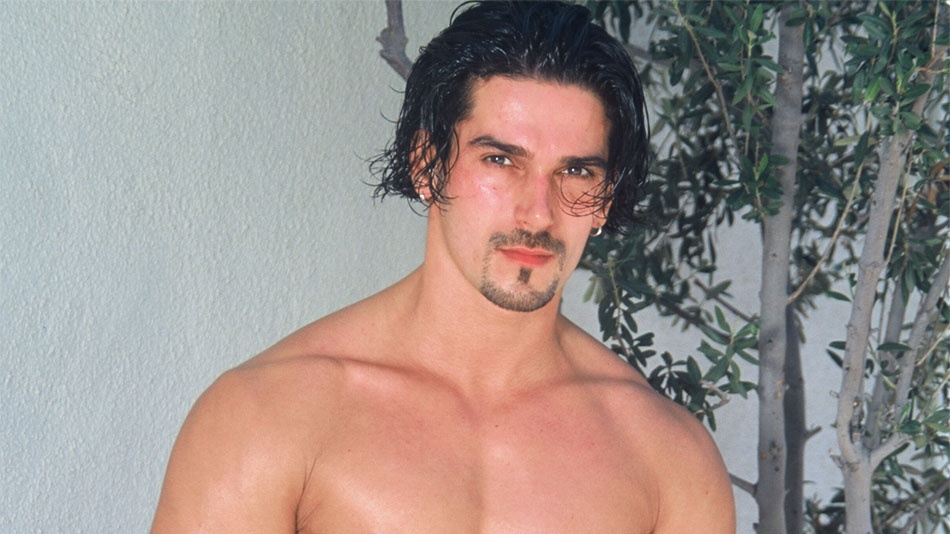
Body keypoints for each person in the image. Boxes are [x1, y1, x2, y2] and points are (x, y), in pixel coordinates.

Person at [152, 1, 736, 532]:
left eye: (576, 171)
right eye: (500, 160)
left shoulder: (666, 457)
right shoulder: (267, 415)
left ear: (605, 199)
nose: (538, 212)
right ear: (427, 166)